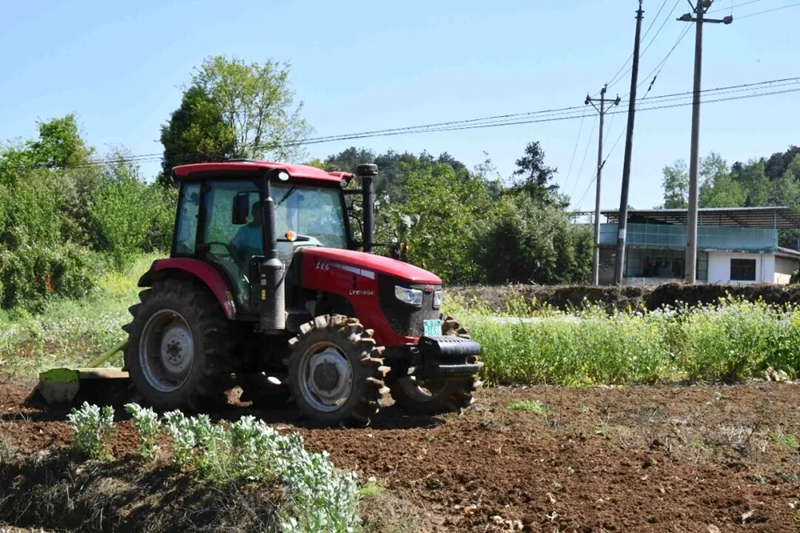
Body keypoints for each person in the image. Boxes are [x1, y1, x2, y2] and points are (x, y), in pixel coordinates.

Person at [231, 202, 264, 267]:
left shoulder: (266, 231)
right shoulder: (245, 230)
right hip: (249, 265)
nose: (261, 215)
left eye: (263, 212)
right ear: (253, 213)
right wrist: (239, 263)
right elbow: (232, 246)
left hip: (263, 264)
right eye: (259, 212)